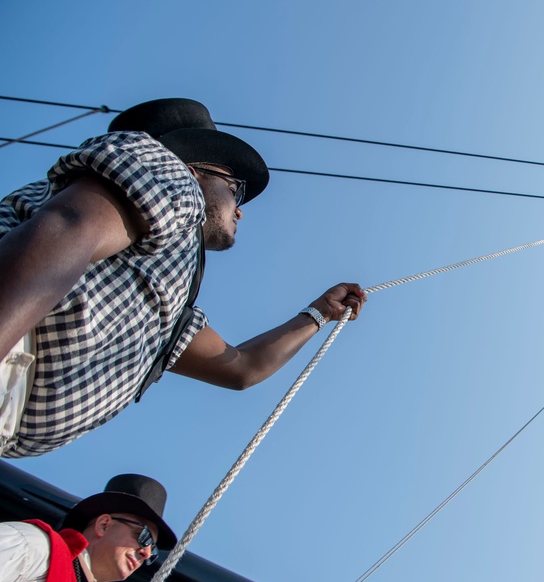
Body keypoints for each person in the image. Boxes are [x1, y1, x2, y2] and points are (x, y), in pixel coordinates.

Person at [0, 99, 366, 457]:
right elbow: (70, 226)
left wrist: (319, 313)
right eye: (235, 187)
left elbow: (240, 366)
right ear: (195, 171)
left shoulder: (160, 295)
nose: (239, 209)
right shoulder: (168, 173)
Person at [0, 473, 177, 582]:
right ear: (103, 525)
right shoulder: (37, 546)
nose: (146, 553)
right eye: (144, 537)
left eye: (152, 550)